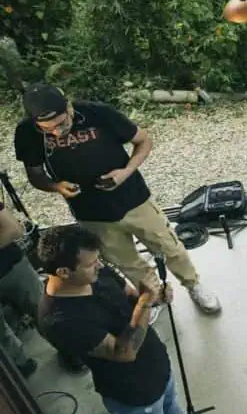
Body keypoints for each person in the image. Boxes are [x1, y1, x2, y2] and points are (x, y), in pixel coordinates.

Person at [37, 224, 227, 414]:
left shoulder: (98, 273)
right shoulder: (59, 320)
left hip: (155, 363)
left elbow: (131, 297)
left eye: (98, 258)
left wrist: (154, 297)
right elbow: (123, 352)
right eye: (91, 263)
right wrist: (145, 305)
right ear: (64, 272)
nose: (100, 265)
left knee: (171, 402)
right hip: (132, 392)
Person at [14, 84, 220, 314]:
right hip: (90, 212)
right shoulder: (26, 132)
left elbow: (144, 141)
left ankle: (193, 284)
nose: (56, 132)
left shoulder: (98, 113)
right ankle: (153, 297)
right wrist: (56, 186)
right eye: (47, 129)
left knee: (170, 246)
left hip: (133, 199)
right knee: (127, 262)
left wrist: (125, 172)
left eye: (61, 124)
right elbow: (35, 175)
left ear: (69, 107)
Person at [0, 203, 41, 378]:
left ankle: (70, 352)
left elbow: (14, 229)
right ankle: (21, 365)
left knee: (43, 311)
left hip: (10, 267)